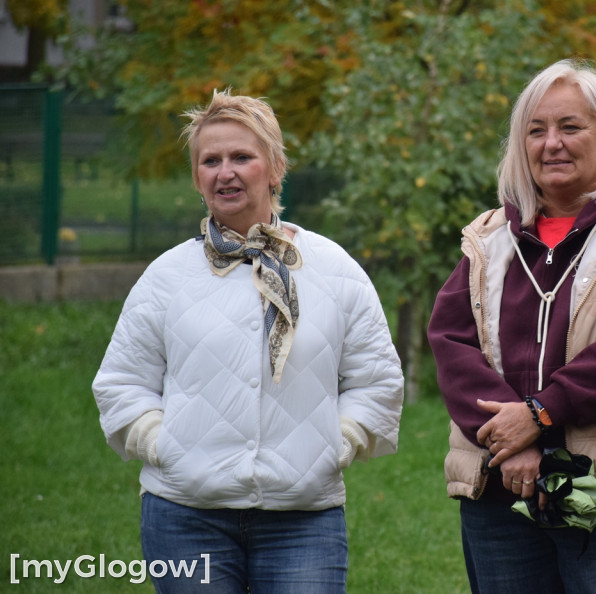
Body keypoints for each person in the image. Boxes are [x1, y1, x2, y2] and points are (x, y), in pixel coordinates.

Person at [92, 90, 404, 593]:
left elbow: (378, 380)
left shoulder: (335, 270)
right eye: (210, 161)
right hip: (184, 516)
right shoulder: (166, 277)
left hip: (305, 520)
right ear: (197, 177)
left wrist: (335, 445)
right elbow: (122, 382)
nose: (225, 172)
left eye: (242, 157)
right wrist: (163, 444)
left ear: (275, 168)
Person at [428, 59, 596, 594]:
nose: (552, 143)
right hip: (498, 491)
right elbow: (451, 340)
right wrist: (511, 440)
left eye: (570, 127)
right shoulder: (489, 237)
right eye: (536, 130)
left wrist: (541, 415)